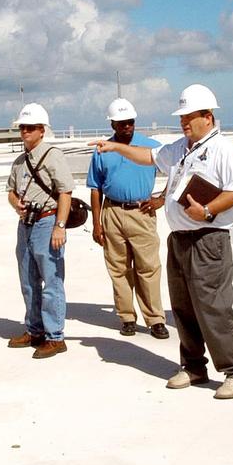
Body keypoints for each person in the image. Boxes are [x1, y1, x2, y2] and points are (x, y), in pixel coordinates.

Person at [93, 84, 233, 399]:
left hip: (209, 239)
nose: (184, 123)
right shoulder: (181, 147)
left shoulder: (221, 149)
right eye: (182, 118)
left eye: (190, 117)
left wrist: (206, 209)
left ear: (208, 117)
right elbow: (149, 156)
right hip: (180, 237)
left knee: (214, 307)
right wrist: (115, 148)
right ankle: (194, 366)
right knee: (183, 307)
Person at [88, 98, 168, 339]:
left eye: (130, 122)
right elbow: (95, 188)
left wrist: (160, 199)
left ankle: (155, 319)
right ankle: (127, 317)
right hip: (112, 212)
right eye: (121, 123)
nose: (126, 126)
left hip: (141, 213)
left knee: (148, 267)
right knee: (118, 268)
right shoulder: (101, 149)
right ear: (113, 124)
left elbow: (178, 173)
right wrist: (96, 223)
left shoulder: (151, 147)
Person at [6, 103, 74, 358]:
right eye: (22, 127)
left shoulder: (52, 155)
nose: (25, 132)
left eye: (30, 128)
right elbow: (10, 192)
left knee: (52, 281)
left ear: (42, 130)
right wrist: (17, 204)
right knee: (28, 280)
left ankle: (55, 336)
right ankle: (35, 329)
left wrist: (60, 226)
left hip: (47, 221)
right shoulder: (20, 161)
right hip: (25, 224)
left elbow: (66, 192)